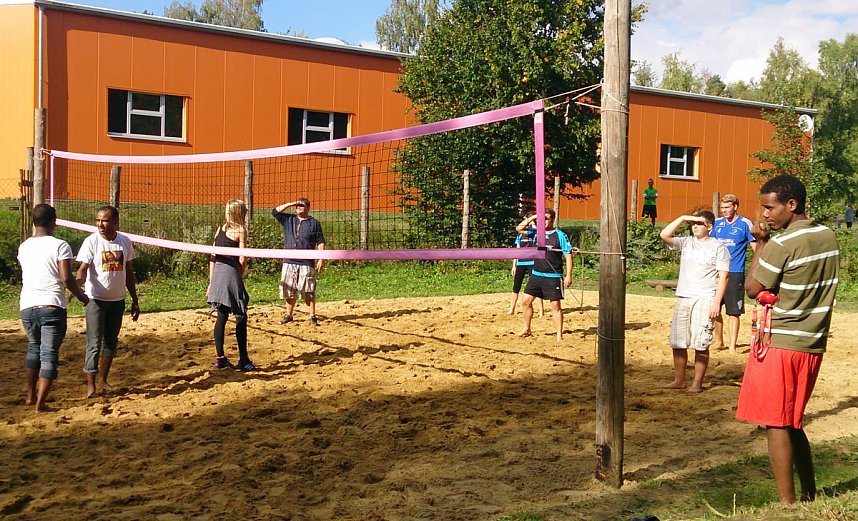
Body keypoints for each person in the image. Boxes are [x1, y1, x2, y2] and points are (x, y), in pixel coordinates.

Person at [737, 174, 839, 504]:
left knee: (776, 423)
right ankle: (809, 494)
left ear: (791, 205)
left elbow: (752, 288)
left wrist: (761, 244)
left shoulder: (782, 243)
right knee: (793, 421)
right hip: (812, 341)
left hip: (781, 342)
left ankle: (787, 503)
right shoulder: (828, 235)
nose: (764, 214)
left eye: (769, 207)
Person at [18, 204, 89, 412]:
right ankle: (41, 403)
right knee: (49, 354)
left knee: (33, 347)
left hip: (28, 304)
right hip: (51, 304)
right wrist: (81, 296)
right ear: (53, 221)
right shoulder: (60, 245)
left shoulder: (24, 246)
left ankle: (31, 394)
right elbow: (66, 278)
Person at [659, 210, 729, 392]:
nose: (695, 226)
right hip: (684, 297)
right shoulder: (686, 242)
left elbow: (724, 277)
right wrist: (683, 218)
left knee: (701, 342)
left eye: (700, 223)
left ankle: (697, 383)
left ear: (710, 227)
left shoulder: (718, 247)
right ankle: (679, 379)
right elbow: (664, 235)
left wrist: (716, 302)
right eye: (693, 223)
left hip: (705, 298)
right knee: (678, 341)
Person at [76, 205, 140, 398]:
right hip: (95, 300)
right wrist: (77, 284)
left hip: (117, 300)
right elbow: (82, 268)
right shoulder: (91, 242)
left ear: (115, 222)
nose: (100, 224)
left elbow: (128, 272)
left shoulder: (124, 242)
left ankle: (103, 380)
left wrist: (134, 300)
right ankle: (91, 386)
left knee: (111, 342)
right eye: (98, 220)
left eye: (104, 220)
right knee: (94, 342)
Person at [207, 199, 255, 371]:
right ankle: (243, 360)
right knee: (241, 315)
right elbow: (242, 257)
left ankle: (220, 358)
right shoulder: (240, 230)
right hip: (230, 272)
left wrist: (211, 282)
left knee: (222, 315)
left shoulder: (220, 228)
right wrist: (240, 275)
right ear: (240, 213)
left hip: (218, 274)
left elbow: (212, 256)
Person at [516, 209, 574, 342]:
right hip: (536, 275)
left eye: (546, 218)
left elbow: (568, 256)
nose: (544, 221)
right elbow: (519, 228)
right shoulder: (537, 233)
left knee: (555, 306)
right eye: (542, 219)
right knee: (525, 302)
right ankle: (527, 328)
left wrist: (568, 275)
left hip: (553, 276)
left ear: (553, 220)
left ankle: (559, 334)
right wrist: (535, 216)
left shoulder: (560, 235)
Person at [709, 194, 756, 352]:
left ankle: (732, 346)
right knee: (714, 308)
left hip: (735, 272)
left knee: (733, 311)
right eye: (722, 208)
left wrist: (755, 270)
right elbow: (709, 245)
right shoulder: (717, 224)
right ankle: (718, 341)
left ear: (735, 207)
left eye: (727, 207)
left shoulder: (744, 224)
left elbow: (756, 248)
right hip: (717, 272)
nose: (724, 211)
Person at [272, 197, 326, 326]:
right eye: (297, 206)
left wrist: (321, 259)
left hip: (306, 262)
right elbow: (275, 212)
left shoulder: (314, 223)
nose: (298, 208)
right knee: (289, 290)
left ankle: (312, 315)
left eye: (301, 206)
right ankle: (289, 315)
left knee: (309, 290)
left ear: (308, 208)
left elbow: (320, 241)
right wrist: (291, 203)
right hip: (289, 260)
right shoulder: (289, 219)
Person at [508, 212, 544, 317]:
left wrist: (532, 220)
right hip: (521, 262)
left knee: (536, 287)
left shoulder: (534, 233)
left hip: (532, 262)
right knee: (516, 286)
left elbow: (536, 229)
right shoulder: (520, 235)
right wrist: (514, 265)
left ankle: (541, 310)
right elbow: (517, 250)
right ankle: (512, 308)